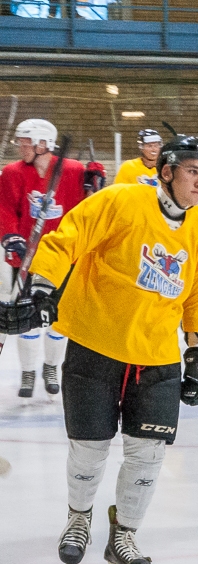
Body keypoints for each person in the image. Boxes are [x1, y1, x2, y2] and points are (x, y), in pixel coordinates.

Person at [0, 135, 198, 564]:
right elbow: (65, 241)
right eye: (191, 172)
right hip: (96, 343)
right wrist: (42, 291)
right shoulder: (121, 200)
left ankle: (124, 538)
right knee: (90, 448)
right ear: (167, 171)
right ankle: (78, 518)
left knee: (148, 457)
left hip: (157, 357)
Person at [0, 119, 102, 399]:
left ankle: (51, 367)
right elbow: (5, 208)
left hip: (63, 257)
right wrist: (11, 237)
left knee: (59, 317)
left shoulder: (73, 170)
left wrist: (95, 184)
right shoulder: (11, 172)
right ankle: (29, 370)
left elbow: (90, 210)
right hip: (27, 256)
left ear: (43, 144)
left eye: (25, 142)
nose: (20, 147)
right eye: (19, 142)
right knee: (25, 316)